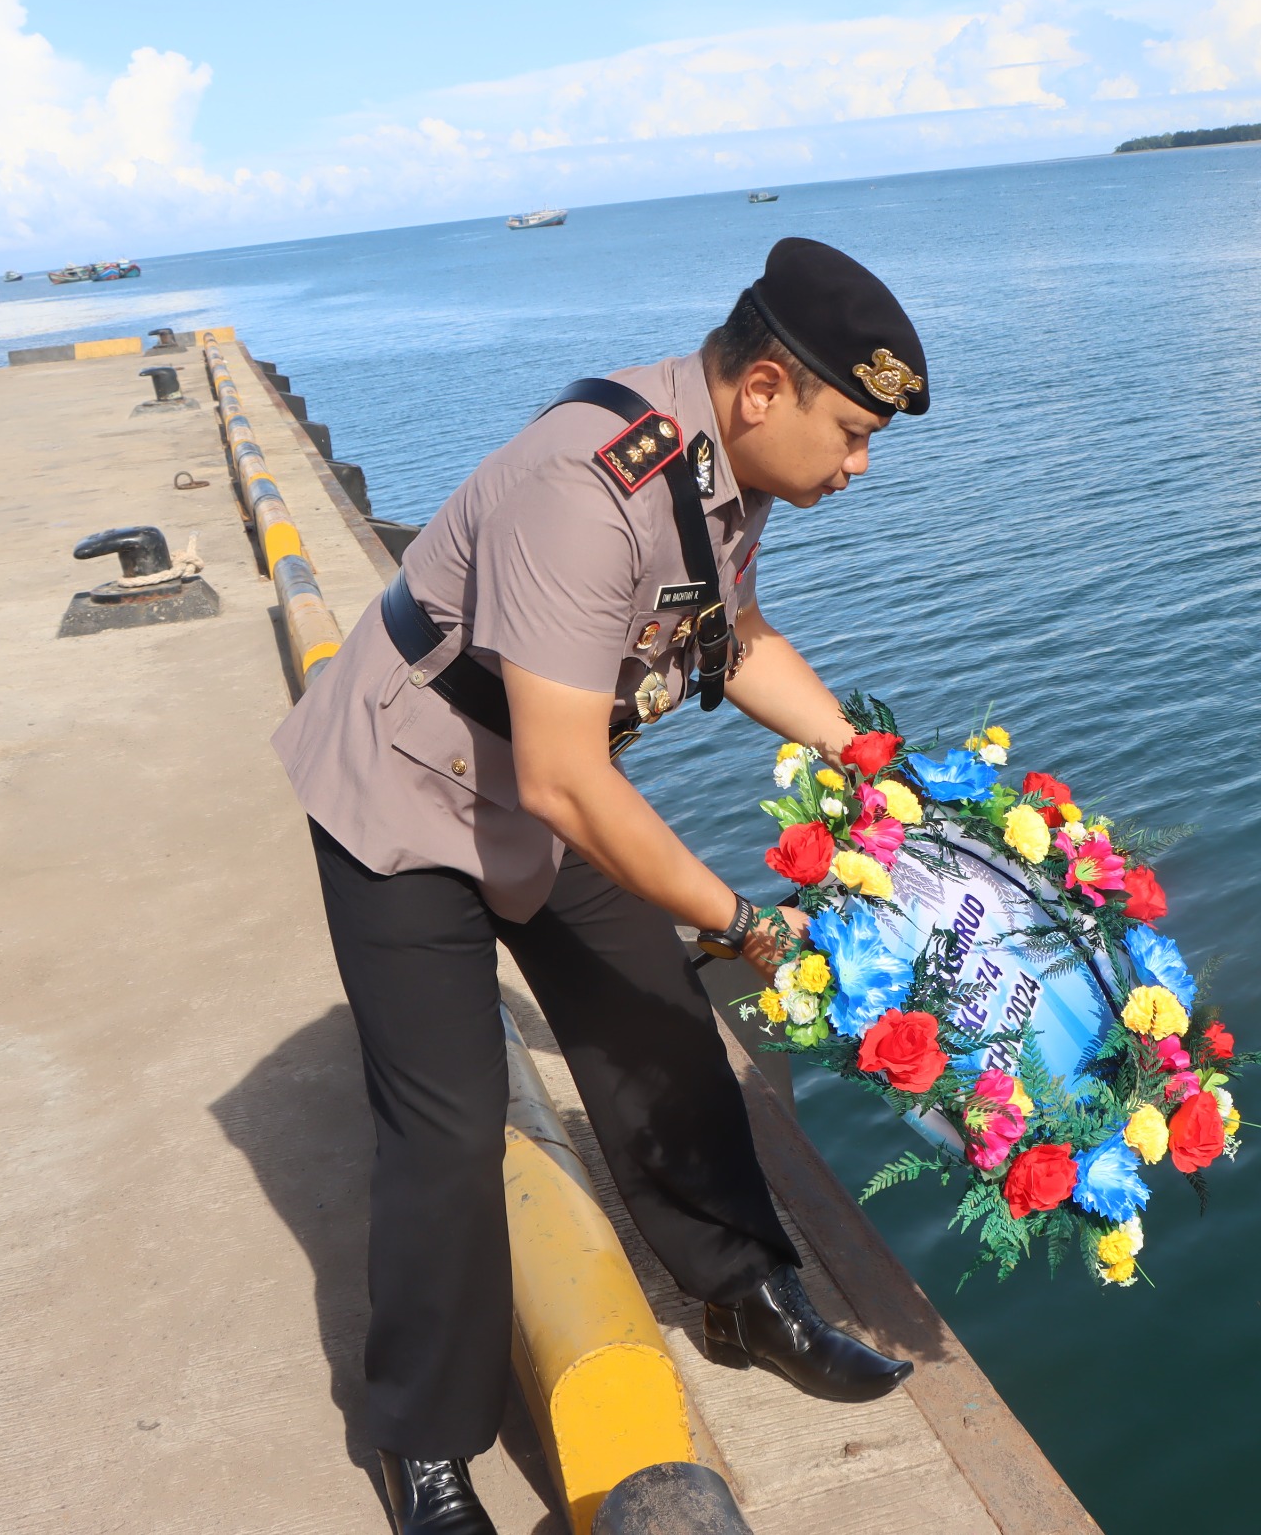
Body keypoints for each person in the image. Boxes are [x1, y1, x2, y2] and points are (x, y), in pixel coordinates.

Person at [273, 237, 929, 1535]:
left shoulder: (723, 476)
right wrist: (735, 917)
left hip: (528, 774)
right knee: (449, 1128)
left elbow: (731, 638)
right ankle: (424, 1443)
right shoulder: (590, 485)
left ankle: (744, 1292)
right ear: (761, 392)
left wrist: (874, 758)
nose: (858, 466)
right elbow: (574, 782)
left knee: (657, 1022)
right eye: (850, 432)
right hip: (405, 790)